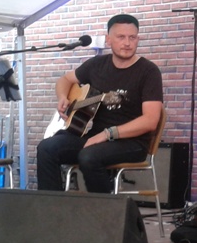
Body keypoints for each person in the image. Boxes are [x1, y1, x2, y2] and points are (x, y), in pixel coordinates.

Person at [36, 14, 163, 192]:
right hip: (94, 137)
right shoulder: (97, 65)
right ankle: (52, 206)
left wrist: (107, 134)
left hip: (132, 143)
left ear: (138, 39)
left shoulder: (149, 72)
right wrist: (63, 97)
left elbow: (150, 121)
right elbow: (65, 80)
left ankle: (105, 208)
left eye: (132, 37)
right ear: (108, 39)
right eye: (121, 37)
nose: (127, 43)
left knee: (89, 157)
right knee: (47, 148)